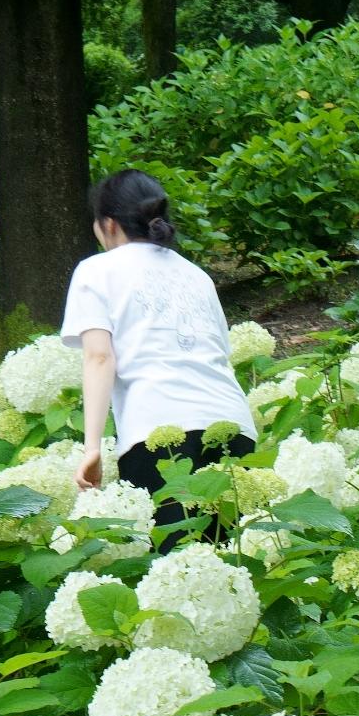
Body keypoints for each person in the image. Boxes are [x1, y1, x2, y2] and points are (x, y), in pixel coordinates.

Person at [66, 170, 256, 537]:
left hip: (160, 433)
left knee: (179, 566)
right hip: (233, 426)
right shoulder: (196, 275)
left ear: (108, 224)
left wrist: (92, 449)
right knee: (234, 556)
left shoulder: (96, 270)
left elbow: (99, 358)